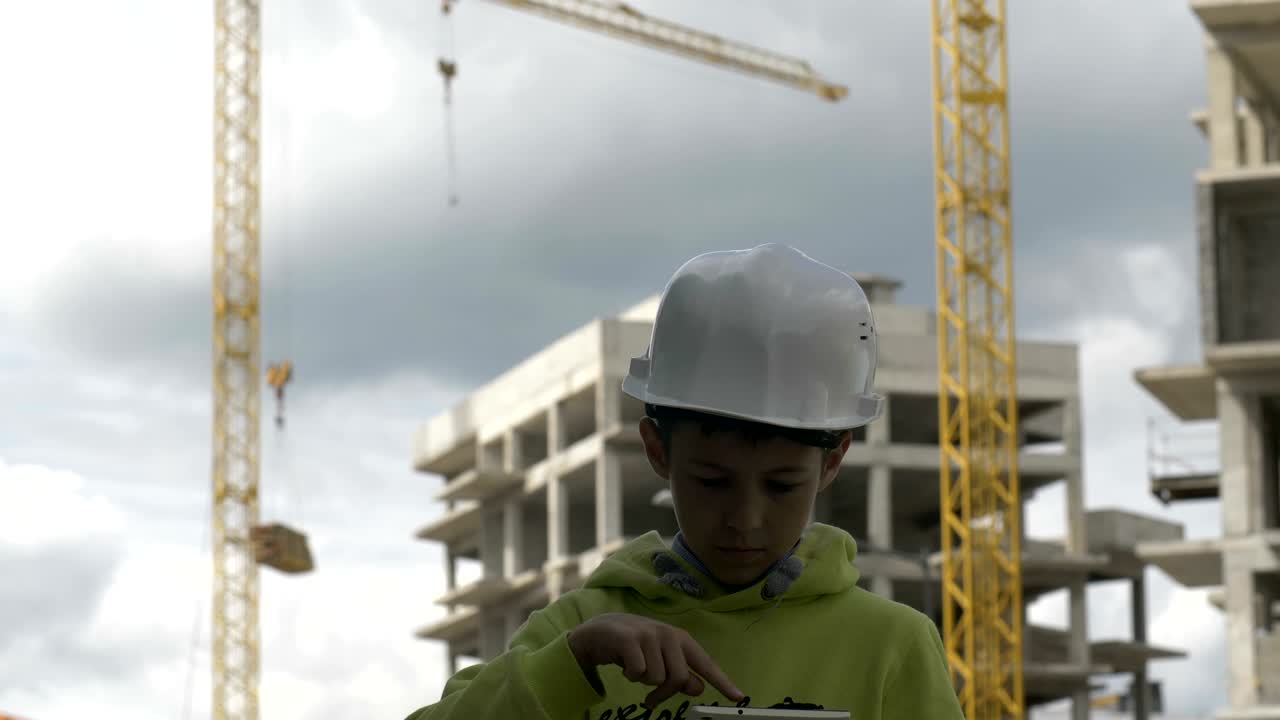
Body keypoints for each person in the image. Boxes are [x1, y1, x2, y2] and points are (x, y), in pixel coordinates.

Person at [404, 244, 964, 720]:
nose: (745, 518)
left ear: (833, 461)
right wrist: (571, 660)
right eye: (713, 482)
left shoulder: (892, 646)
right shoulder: (579, 631)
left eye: (780, 486)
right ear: (657, 450)